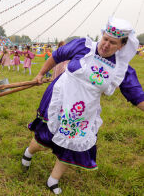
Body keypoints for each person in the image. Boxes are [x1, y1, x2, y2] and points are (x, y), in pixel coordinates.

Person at [21, 17, 144, 195]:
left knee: (72, 143)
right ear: (102, 35)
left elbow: (136, 94)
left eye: (113, 42)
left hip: (83, 111)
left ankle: (53, 180)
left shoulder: (121, 69)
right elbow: (58, 55)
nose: (106, 45)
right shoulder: (83, 46)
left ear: (121, 46)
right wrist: (40, 73)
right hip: (60, 98)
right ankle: (29, 152)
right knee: (45, 137)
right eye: (105, 39)